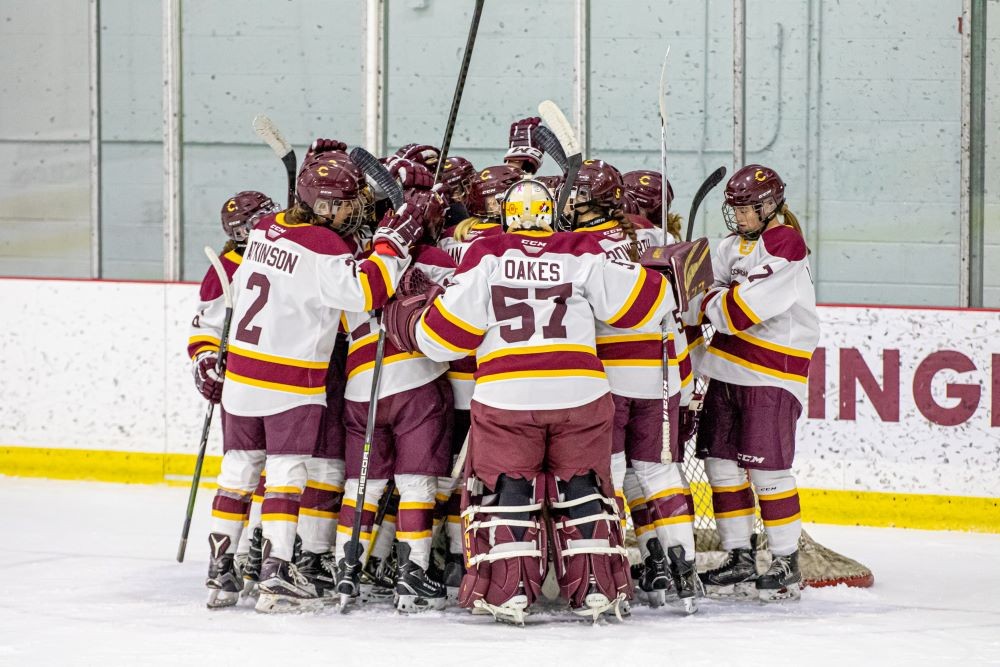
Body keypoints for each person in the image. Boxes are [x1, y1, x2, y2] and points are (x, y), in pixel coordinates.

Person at [383, 178, 674, 624]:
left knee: (508, 493)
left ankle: (509, 591)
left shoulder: (487, 254)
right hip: (581, 394)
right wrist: (660, 272)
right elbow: (641, 306)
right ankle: (596, 589)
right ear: (550, 215)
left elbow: (444, 337)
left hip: (507, 395)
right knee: (585, 491)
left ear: (507, 217)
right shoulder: (580, 249)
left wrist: (407, 319)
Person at [215, 151, 424, 613]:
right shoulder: (324, 246)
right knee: (287, 476)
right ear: (326, 206)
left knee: (239, 470)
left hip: (241, 374)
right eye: (347, 203)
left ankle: (220, 569)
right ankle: (276, 575)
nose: (353, 210)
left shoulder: (268, 226)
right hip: (288, 378)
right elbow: (367, 290)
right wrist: (393, 243)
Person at [566, 161, 699, 611]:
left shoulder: (576, 247)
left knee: (611, 477)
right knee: (660, 474)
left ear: (585, 200)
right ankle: (686, 572)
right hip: (660, 379)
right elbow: (679, 312)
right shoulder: (657, 237)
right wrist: (685, 379)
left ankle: (617, 572)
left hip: (607, 380)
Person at [690, 164, 818, 602]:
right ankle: (739, 556)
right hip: (724, 371)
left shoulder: (785, 244)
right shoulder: (731, 245)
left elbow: (737, 313)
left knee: (768, 471)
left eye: (748, 208)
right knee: (720, 466)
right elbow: (701, 297)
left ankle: (785, 560)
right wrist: (706, 296)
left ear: (771, 205)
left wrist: (711, 299)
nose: (740, 216)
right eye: (735, 208)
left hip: (771, 376)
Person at [334, 186, 456, 613]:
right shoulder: (437, 260)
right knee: (416, 484)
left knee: (361, 485)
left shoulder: (359, 259)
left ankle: (345, 571)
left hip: (359, 388)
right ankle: (412, 574)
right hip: (416, 382)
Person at [193, 190, 278, 609]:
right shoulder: (227, 267)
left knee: (258, 474)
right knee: (253, 470)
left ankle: (243, 559)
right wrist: (206, 360)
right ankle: (223, 566)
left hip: (253, 382)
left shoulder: (277, 256)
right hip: (255, 383)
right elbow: (204, 328)